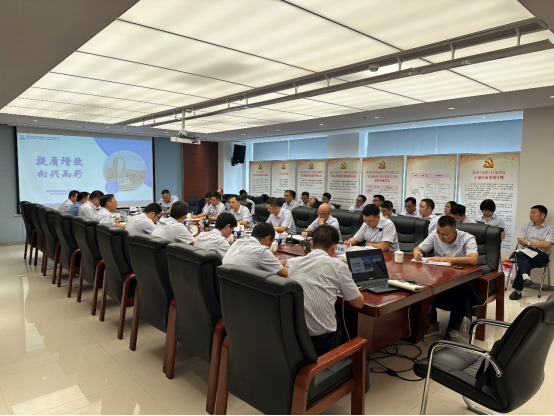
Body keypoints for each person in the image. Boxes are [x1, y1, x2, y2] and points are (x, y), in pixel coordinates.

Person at [288, 225, 364, 356]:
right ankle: (338, 357)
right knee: (341, 315)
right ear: (334, 247)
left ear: (311, 244)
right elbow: (358, 303)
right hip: (321, 342)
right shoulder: (339, 266)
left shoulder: (292, 263)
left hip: (293, 337)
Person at [414, 216, 481, 343]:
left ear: (454, 232)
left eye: (444, 235)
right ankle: (433, 324)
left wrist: (443, 259)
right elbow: (418, 248)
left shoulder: (468, 238)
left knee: (463, 289)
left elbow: (473, 259)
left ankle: (453, 329)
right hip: (440, 275)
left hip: (462, 276)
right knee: (425, 286)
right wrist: (417, 252)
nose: (440, 237)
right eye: (439, 233)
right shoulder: (435, 235)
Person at [509, 205, 554, 301]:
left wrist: (528, 242)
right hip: (526, 252)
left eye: (534, 213)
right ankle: (525, 279)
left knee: (523, 262)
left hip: (541, 255)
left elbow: (547, 244)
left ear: (542, 215)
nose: (531, 215)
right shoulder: (526, 226)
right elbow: (520, 240)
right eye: (530, 212)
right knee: (521, 254)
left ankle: (519, 288)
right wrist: (540, 244)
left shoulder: (550, 228)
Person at [223, 222, 288, 277]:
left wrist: (274, 264)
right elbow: (286, 274)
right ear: (268, 238)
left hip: (226, 283)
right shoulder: (262, 250)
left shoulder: (237, 242)